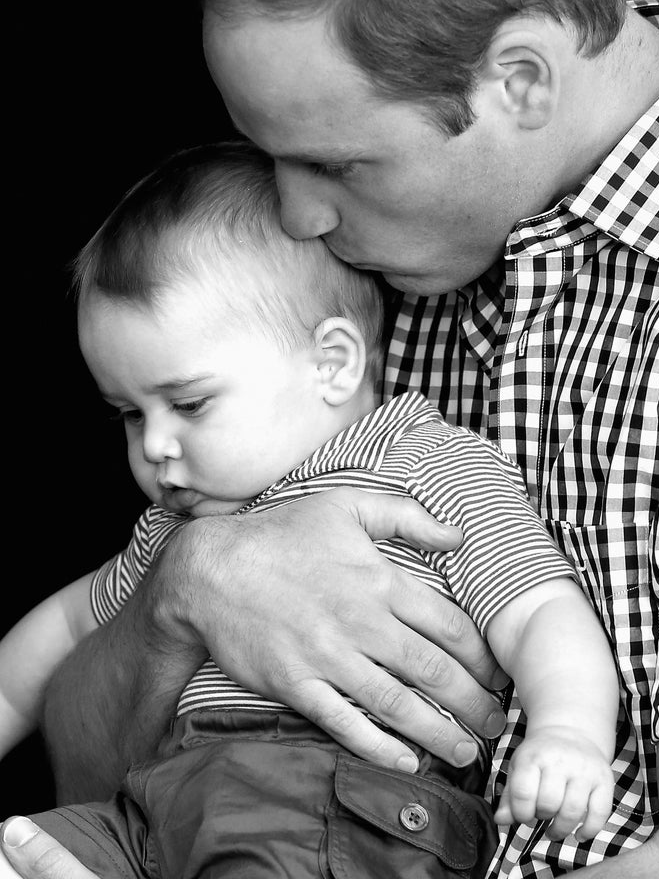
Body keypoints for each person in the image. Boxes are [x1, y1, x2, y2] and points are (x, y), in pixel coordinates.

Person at [2, 0, 659, 877]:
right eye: (271, 159)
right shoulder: (335, 274)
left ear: (519, 79)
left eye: (333, 164)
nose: (295, 217)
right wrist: (189, 586)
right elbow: (85, 773)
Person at [1, 140, 618, 878]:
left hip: (337, 797)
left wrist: (570, 732)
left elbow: (538, 608)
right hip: (163, 804)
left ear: (332, 363)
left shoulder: (420, 463)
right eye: (129, 415)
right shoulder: (179, 529)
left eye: (189, 403)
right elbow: (56, 636)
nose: (156, 446)